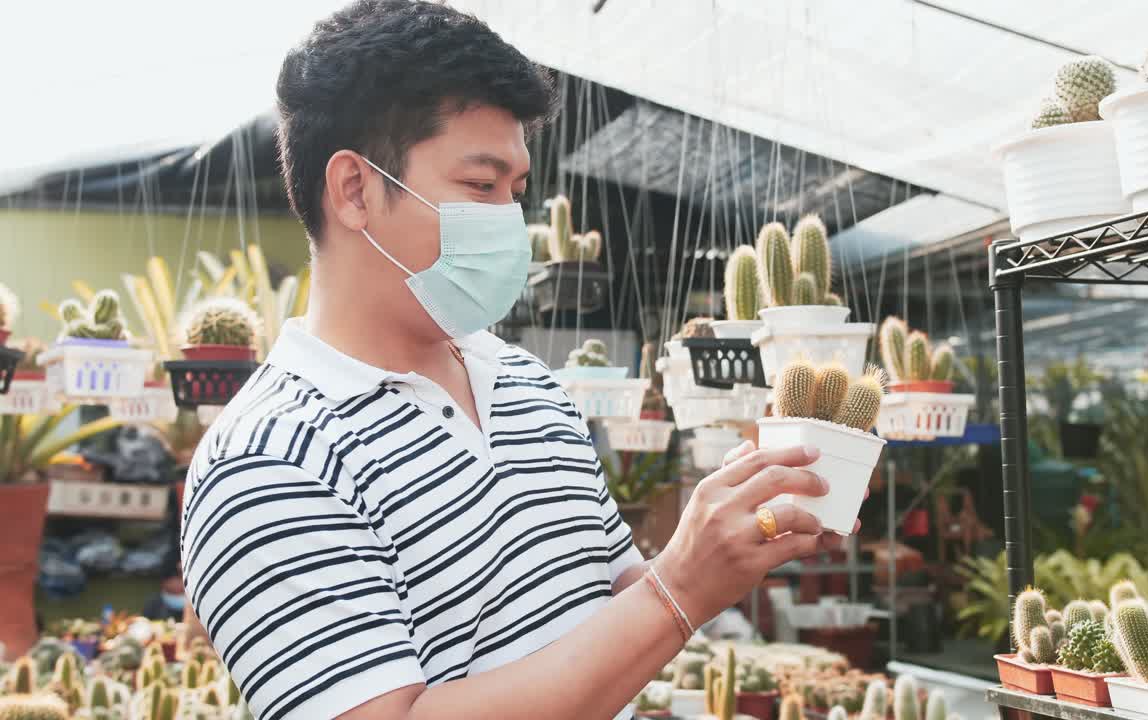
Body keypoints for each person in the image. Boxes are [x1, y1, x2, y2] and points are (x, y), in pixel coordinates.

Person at [179, 2, 852, 718]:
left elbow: (613, 607)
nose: (510, 221)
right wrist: (680, 587)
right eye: (479, 186)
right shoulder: (268, 459)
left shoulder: (529, 387)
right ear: (355, 190)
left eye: (516, 191)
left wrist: (736, 528)